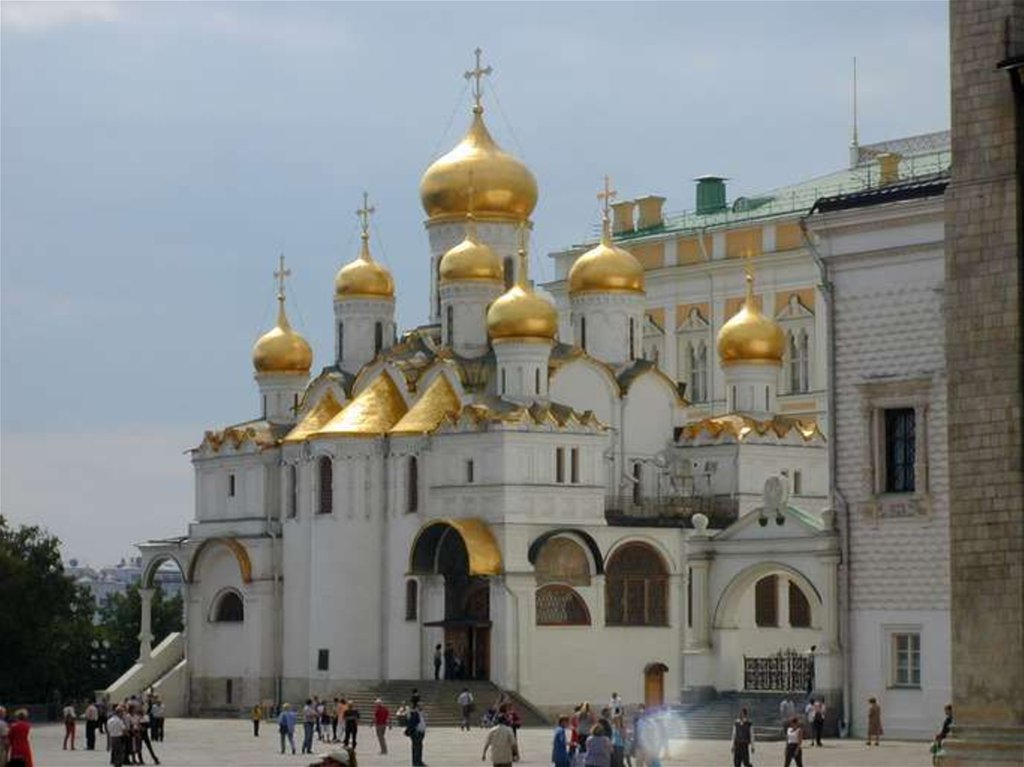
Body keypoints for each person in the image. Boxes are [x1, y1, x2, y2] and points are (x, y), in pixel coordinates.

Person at [404, 702, 426, 767]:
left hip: (421, 732)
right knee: (416, 747)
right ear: (417, 707)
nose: (422, 707)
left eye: (422, 706)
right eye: (420, 706)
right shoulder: (414, 713)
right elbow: (412, 724)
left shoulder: (420, 713)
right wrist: (413, 731)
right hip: (416, 733)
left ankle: (419, 761)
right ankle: (416, 762)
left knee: (419, 747)